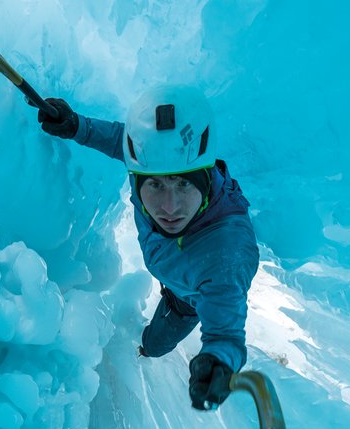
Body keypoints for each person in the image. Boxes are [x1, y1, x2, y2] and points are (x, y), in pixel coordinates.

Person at [37, 85, 259, 411]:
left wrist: (218, 362)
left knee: (154, 345)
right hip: (175, 269)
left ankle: (143, 351)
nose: (169, 206)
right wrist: (76, 126)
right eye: (155, 185)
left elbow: (226, 334)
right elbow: (121, 142)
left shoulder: (225, 257)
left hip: (186, 300)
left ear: (205, 178)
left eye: (183, 183)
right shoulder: (150, 164)